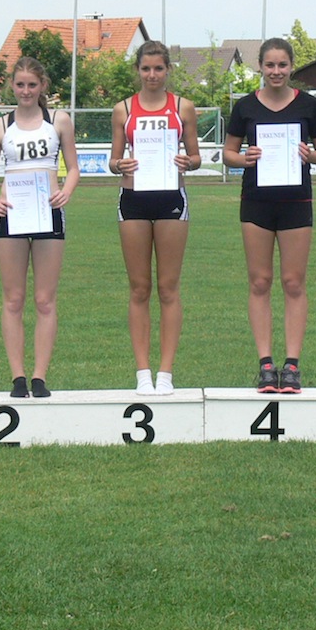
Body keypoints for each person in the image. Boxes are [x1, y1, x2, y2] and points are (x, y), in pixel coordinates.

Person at [224, 37, 316, 394]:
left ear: (291, 66)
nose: (276, 71)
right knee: (259, 282)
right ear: (260, 66)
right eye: (269, 65)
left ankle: (293, 365)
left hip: (296, 203)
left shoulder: (308, 105)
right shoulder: (245, 107)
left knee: (293, 282)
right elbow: (228, 153)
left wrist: (309, 155)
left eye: (282, 65)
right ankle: (266, 365)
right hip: (256, 203)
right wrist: (245, 159)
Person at [107, 41, 202, 395]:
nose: (152, 75)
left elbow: (196, 157)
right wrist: (120, 164)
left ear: (167, 70)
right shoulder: (123, 110)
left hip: (171, 200)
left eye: (158, 68)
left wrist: (188, 162)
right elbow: (113, 160)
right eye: (146, 69)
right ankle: (142, 373)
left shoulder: (182, 107)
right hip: (133, 200)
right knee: (139, 288)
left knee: (168, 287)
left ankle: (166, 373)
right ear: (137, 70)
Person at [0, 57, 80, 398]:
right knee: (13, 299)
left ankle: (39, 376)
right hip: (12, 214)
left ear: (43, 86)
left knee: (44, 299)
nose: (26, 91)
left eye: (32, 85)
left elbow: (74, 168)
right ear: (12, 85)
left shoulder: (59, 121)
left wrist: (66, 191)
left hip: (48, 213)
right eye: (20, 84)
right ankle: (18, 377)